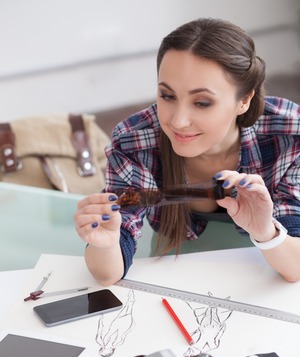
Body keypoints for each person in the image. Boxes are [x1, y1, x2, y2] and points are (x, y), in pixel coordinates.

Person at [74, 17, 300, 286]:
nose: (178, 121)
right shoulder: (135, 141)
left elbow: (295, 268)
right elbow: (107, 273)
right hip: (171, 267)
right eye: (167, 96)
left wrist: (265, 230)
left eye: (202, 102)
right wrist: (106, 243)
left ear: (244, 100)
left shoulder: (289, 133)